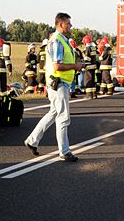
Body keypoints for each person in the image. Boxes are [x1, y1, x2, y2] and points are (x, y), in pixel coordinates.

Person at [24, 13, 85, 162]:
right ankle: (64, 151)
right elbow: (57, 65)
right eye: (68, 23)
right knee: (63, 117)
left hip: (59, 83)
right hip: (59, 83)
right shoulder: (57, 41)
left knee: (53, 113)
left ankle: (32, 140)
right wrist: (75, 66)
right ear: (60, 24)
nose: (71, 26)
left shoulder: (61, 40)